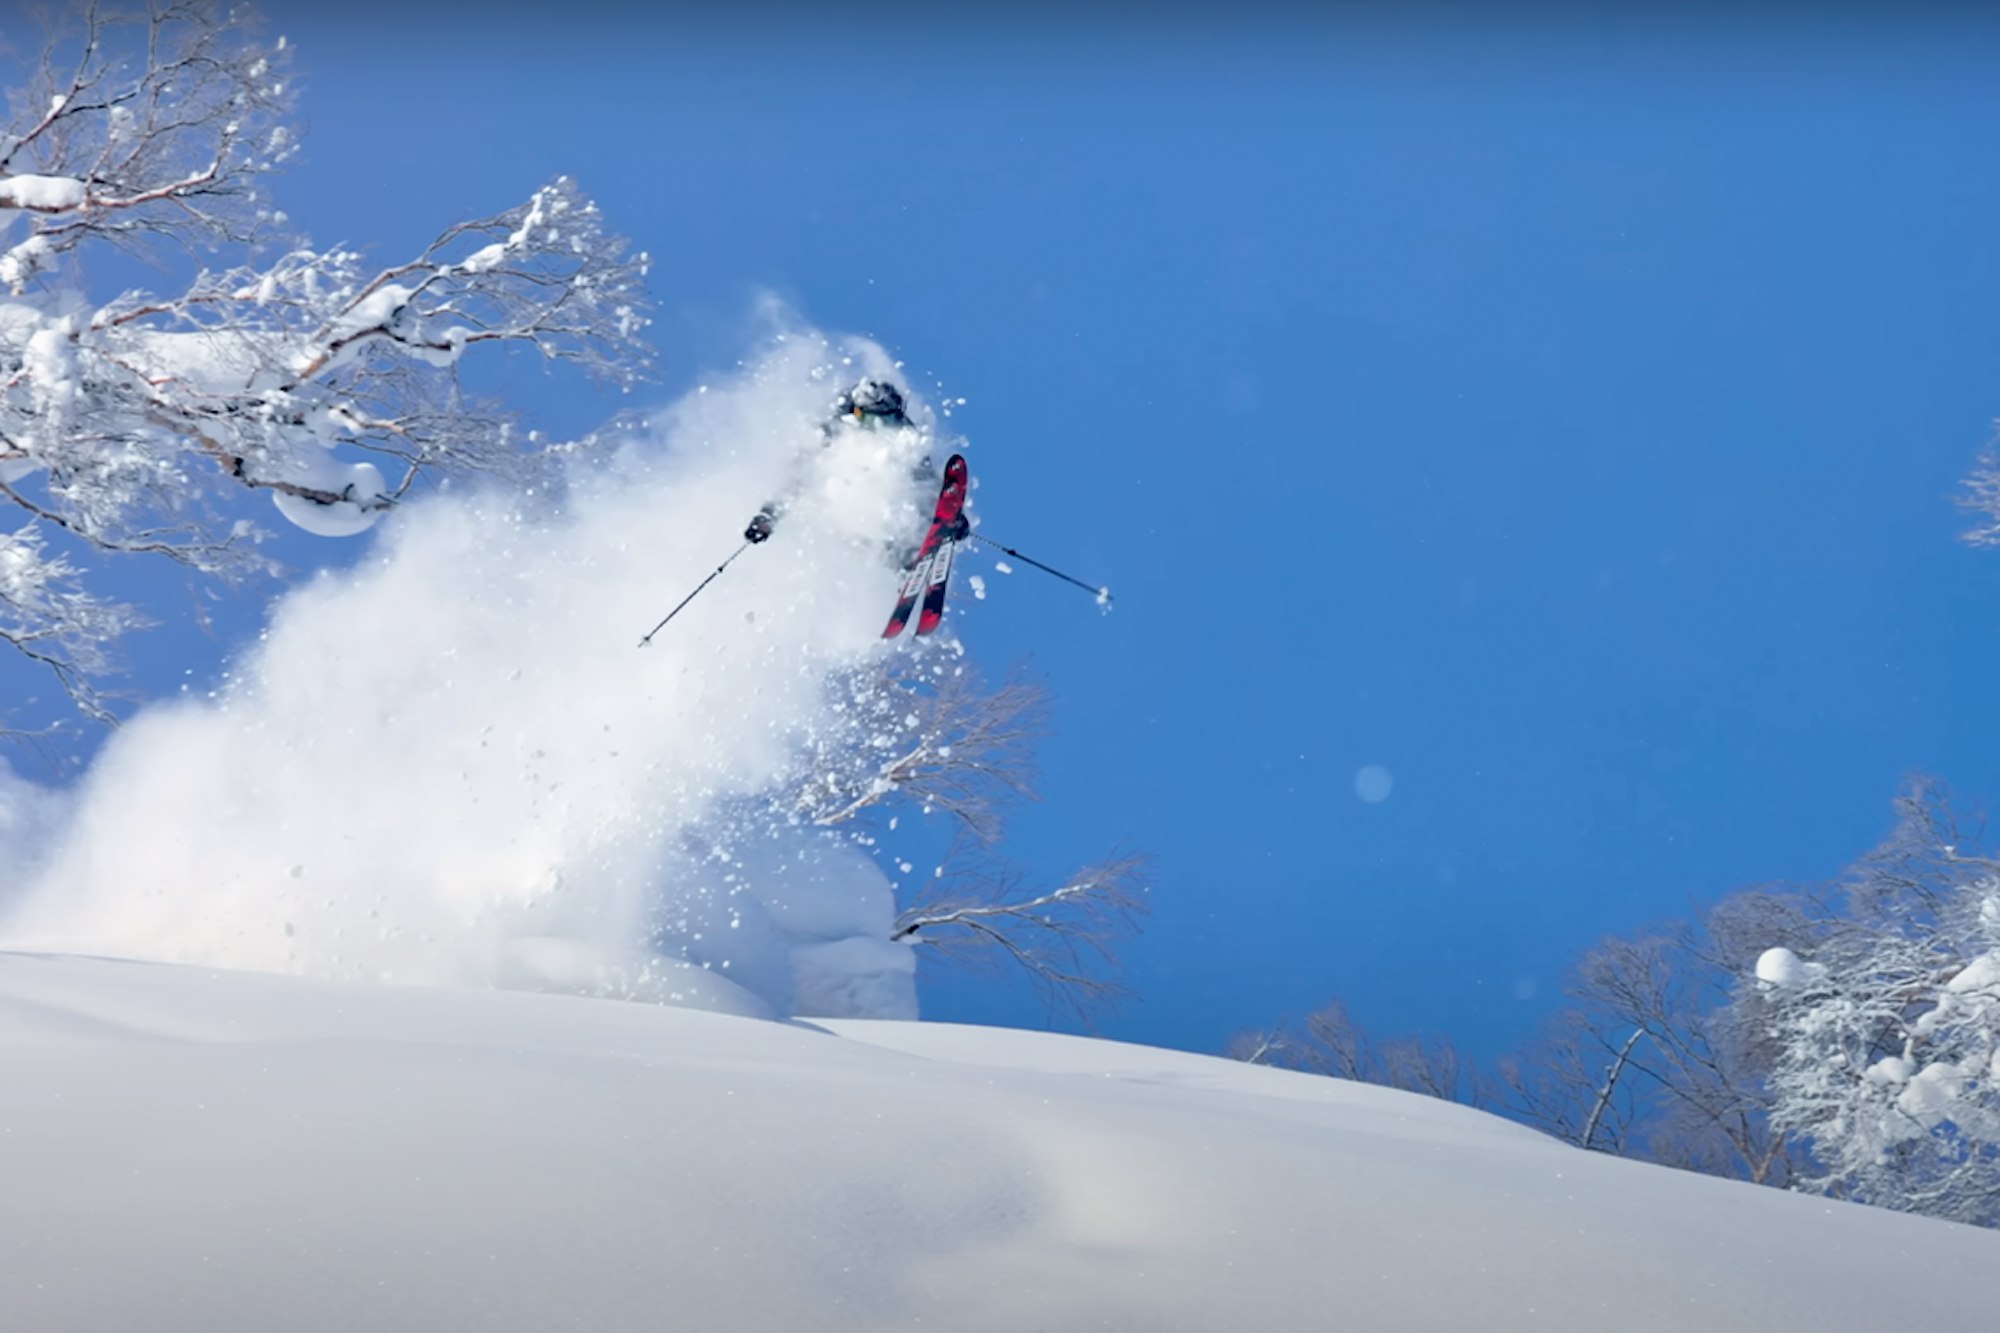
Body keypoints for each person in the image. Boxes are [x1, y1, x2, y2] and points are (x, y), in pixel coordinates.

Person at [743, 379, 922, 544]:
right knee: (861, 515)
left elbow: (919, 468)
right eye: (873, 419)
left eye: (889, 420)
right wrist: (767, 516)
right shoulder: (830, 441)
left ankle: (916, 543)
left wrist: (944, 493)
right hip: (844, 511)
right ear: (857, 414)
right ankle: (900, 556)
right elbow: (795, 482)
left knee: (899, 494)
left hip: (888, 503)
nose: (880, 427)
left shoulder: (899, 441)